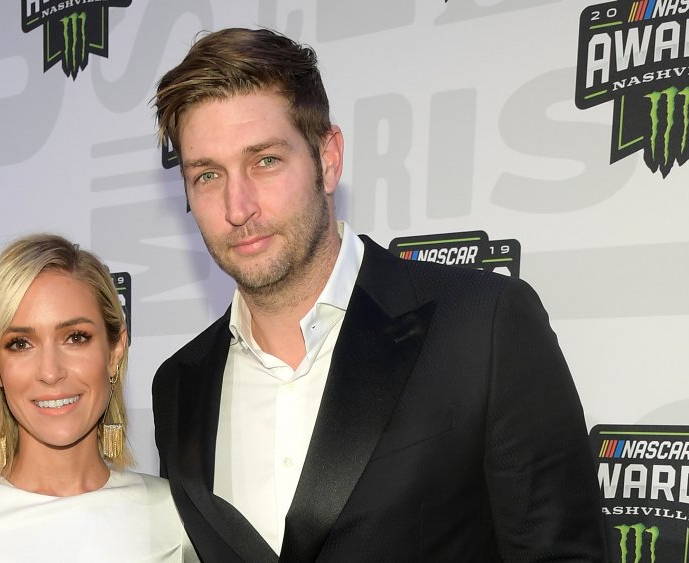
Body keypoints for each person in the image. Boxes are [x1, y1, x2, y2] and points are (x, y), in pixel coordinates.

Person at [151, 28, 606, 562]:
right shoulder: (179, 384)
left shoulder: (483, 326)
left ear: (329, 158)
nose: (238, 206)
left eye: (265, 161)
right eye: (207, 175)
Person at [0, 234, 198, 562]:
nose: (50, 372)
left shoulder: (174, 515)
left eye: (75, 338)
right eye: (20, 343)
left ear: (115, 350)